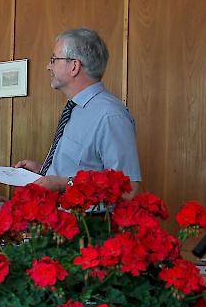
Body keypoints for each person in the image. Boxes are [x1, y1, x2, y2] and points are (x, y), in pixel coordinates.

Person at [14, 28, 141, 198]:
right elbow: (82, 167)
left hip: (85, 223)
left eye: (53, 60)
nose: (48, 67)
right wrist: (43, 170)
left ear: (74, 66)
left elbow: (128, 189)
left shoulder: (110, 116)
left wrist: (61, 184)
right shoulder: (75, 108)